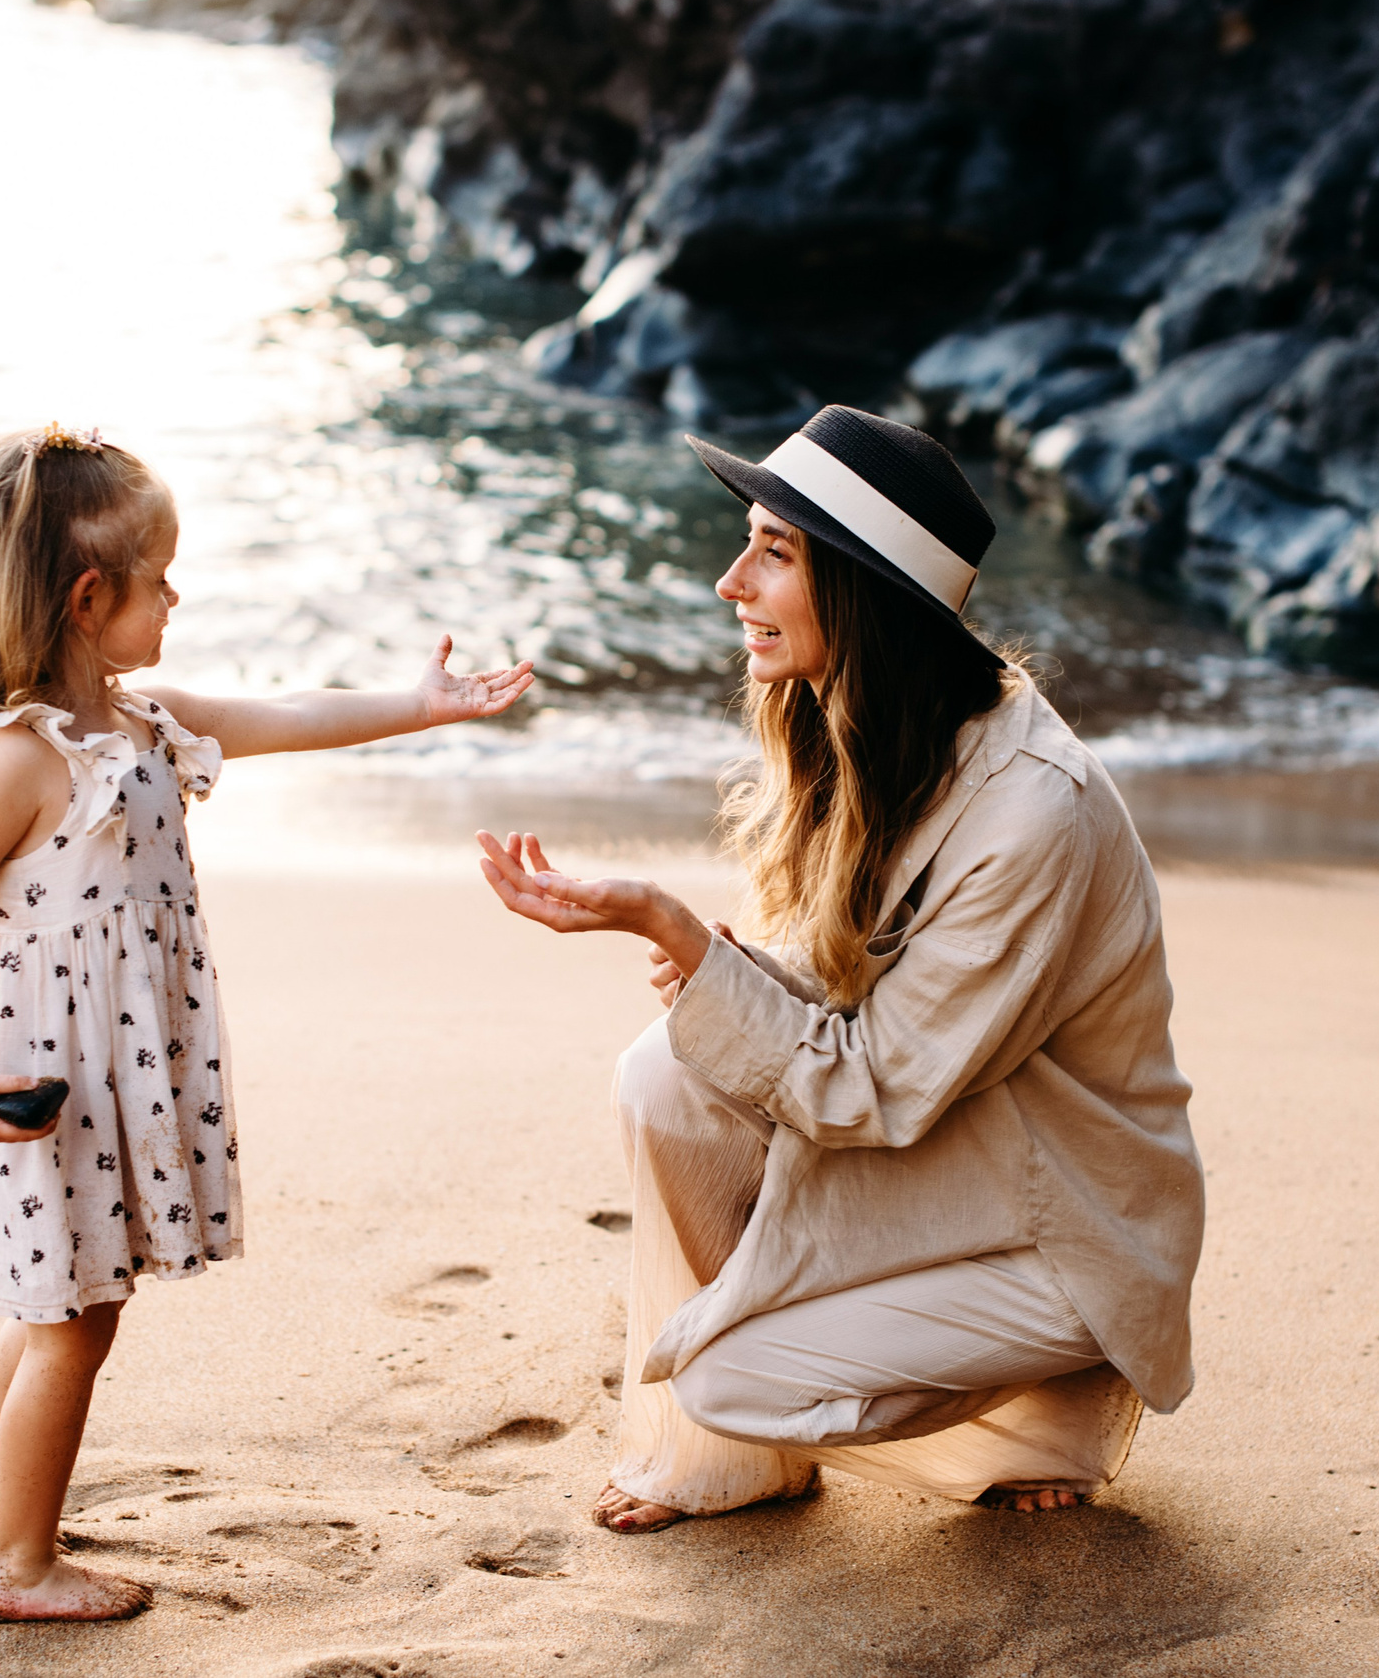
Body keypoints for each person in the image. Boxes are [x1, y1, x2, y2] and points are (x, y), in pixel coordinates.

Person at [477, 405, 1203, 1532]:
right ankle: (750, 1453)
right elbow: (858, 989)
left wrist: (674, 929)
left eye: (773, 553)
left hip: (1059, 1211)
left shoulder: (1032, 811)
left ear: (862, 592)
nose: (731, 582)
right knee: (664, 1073)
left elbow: (871, 1083)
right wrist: (729, 971)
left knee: (727, 1380)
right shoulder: (865, 729)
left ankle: (1050, 1390)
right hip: (958, 1144)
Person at [0, 423, 533, 1620]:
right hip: (52, 1081)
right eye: (159, 579)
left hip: (117, 1064)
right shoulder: (18, 762)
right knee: (77, 1322)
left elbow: (292, 711)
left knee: (69, 1285)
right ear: (90, 597)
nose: (175, 596)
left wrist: (421, 704)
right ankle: (22, 1568)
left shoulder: (141, 722)